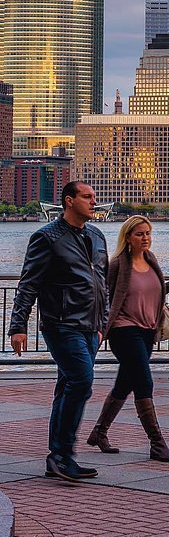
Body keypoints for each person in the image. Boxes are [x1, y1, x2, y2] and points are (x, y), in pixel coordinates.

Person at [9, 182, 108, 483]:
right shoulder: (47, 237)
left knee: (67, 386)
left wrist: (103, 323)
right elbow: (29, 284)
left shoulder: (97, 235)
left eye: (94, 197)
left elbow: (102, 280)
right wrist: (18, 326)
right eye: (87, 197)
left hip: (91, 328)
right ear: (69, 201)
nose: (94, 202)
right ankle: (63, 454)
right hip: (61, 324)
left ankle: (59, 458)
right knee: (81, 380)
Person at [86, 216, 169, 462]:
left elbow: (149, 289)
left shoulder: (151, 260)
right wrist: (99, 327)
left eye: (148, 233)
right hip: (123, 330)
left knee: (125, 383)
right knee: (144, 381)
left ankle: (99, 433)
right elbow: (103, 295)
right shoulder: (118, 264)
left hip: (147, 330)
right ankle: (157, 443)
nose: (145, 238)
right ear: (128, 237)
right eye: (140, 234)